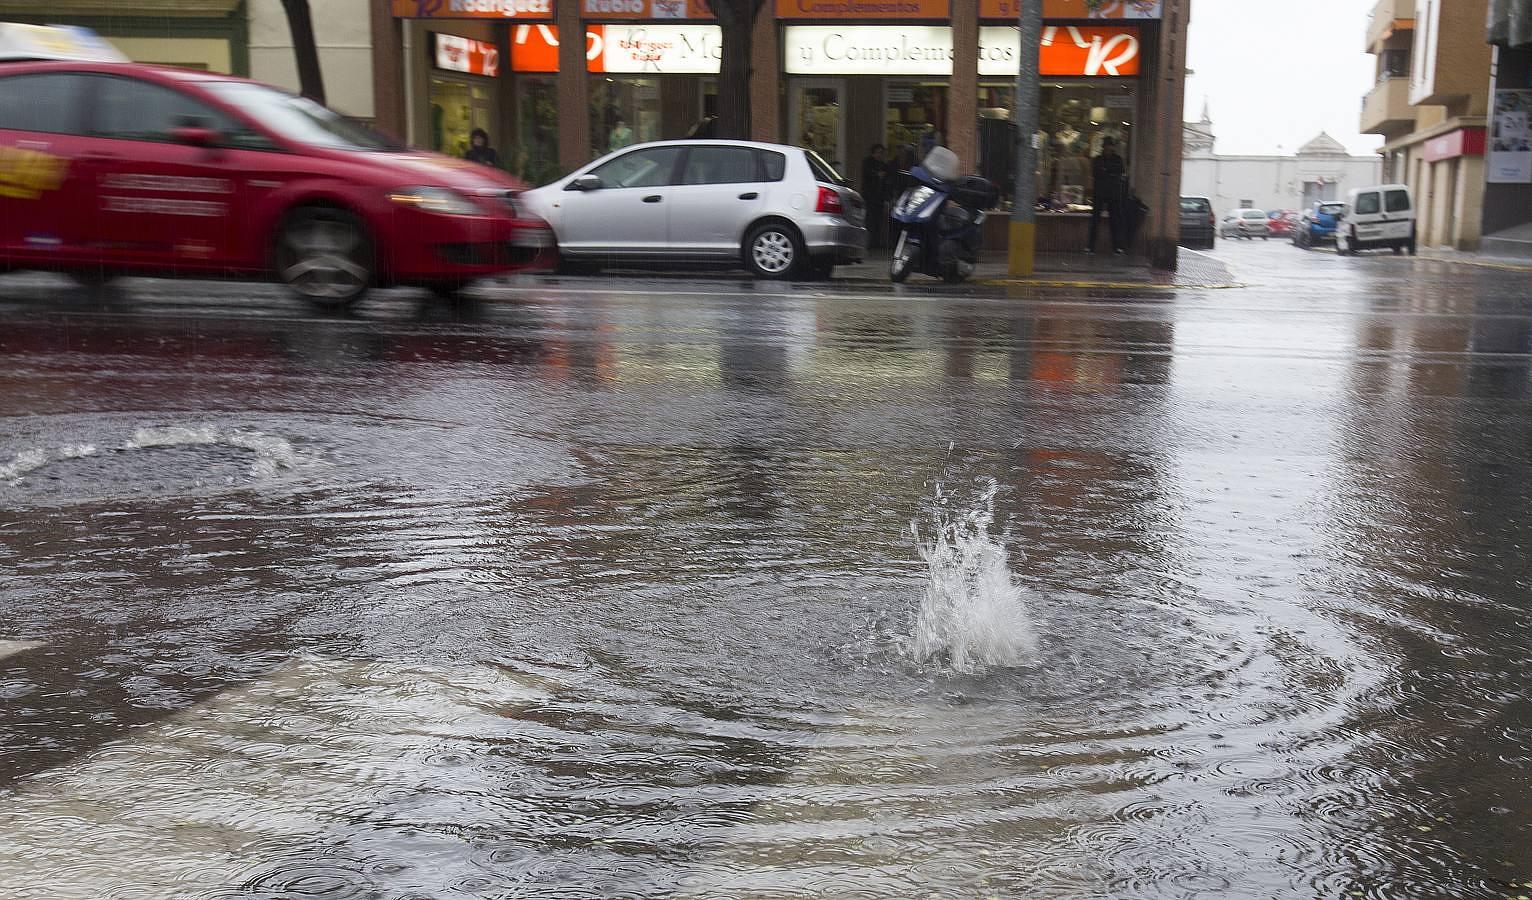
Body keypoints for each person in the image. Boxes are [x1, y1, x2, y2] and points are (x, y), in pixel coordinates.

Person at [1086, 137, 1128, 255]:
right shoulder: (1098, 159)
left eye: (1110, 146)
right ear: (1103, 147)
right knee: (1095, 220)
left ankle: (1117, 247)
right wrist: (1109, 173)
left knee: (1115, 221)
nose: (1108, 148)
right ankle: (1090, 246)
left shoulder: (1117, 159)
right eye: (1106, 146)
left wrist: (1105, 171)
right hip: (1099, 193)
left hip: (1113, 194)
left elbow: (1119, 171)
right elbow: (1096, 173)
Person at [861, 143, 890, 248]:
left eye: (882, 153)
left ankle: (876, 242)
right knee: (870, 220)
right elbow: (867, 174)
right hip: (870, 196)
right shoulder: (868, 162)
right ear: (873, 153)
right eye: (878, 153)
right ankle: (869, 242)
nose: (880, 155)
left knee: (878, 221)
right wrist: (877, 175)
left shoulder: (883, 165)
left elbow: (887, 181)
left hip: (879, 197)